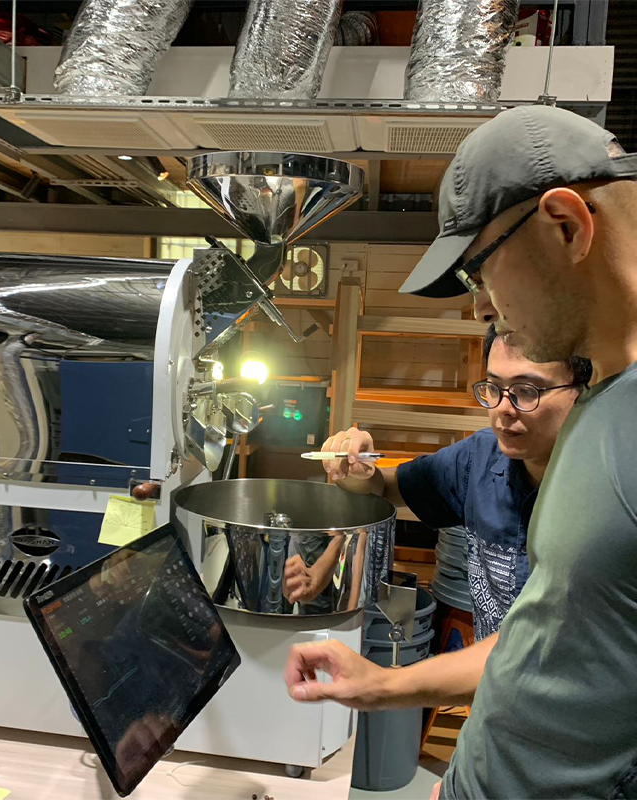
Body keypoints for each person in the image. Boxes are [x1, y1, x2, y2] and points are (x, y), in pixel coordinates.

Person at [285, 105, 637, 799]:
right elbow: (546, 638)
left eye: (480, 270)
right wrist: (385, 688)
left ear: (566, 225)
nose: (480, 309)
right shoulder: (602, 401)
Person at [283, 328, 589, 711]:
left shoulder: (605, 494)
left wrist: (383, 684)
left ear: (582, 391)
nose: (503, 409)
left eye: (527, 391)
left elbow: (537, 652)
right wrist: (357, 468)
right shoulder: (480, 459)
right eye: (493, 388)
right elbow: (384, 487)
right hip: (499, 709)